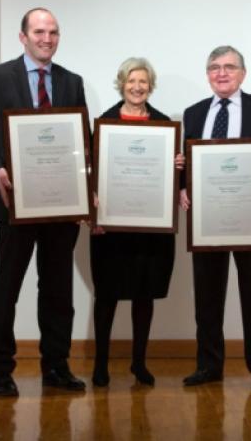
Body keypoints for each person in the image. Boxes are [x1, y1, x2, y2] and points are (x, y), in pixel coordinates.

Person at [0, 8, 88, 397]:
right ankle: (0, 369)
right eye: (38, 31)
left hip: (60, 206)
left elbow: (80, 140)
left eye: (53, 32)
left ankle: (56, 366)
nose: (46, 38)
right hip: (12, 204)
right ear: (23, 37)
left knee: (57, 290)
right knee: (7, 287)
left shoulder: (71, 81)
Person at [180, 45, 251, 391]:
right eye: (214, 67)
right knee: (207, 296)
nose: (222, 73)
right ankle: (208, 366)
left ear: (242, 73)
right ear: (208, 74)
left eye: (229, 66)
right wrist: (180, 188)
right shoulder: (194, 113)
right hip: (206, 218)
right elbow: (186, 162)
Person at [89, 57, 184, 387]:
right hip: (110, 227)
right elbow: (91, 172)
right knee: (108, 295)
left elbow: (177, 179)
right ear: (121, 83)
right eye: (131, 81)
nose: (137, 87)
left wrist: (178, 164)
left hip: (150, 227)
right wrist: (93, 210)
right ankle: (100, 364)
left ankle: (138, 364)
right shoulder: (104, 123)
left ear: (150, 86)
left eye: (143, 81)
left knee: (144, 295)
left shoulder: (163, 125)